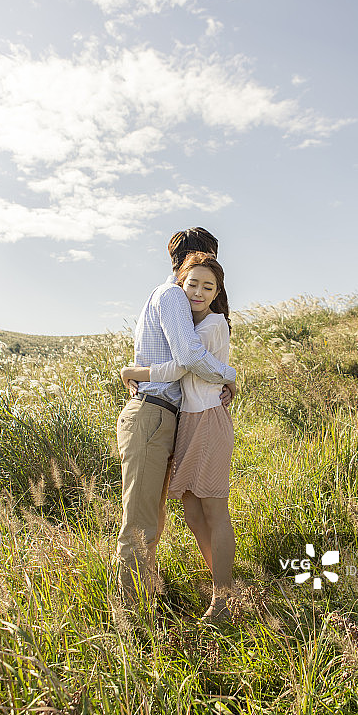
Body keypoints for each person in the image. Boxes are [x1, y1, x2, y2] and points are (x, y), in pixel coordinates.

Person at [116, 228, 236, 609]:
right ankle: (130, 615)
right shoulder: (171, 297)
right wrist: (230, 376)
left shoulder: (190, 308)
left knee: (155, 519)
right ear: (189, 261)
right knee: (141, 525)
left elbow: (186, 364)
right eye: (204, 262)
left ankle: (155, 600)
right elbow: (187, 357)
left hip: (171, 416)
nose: (206, 275)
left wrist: (223, 381)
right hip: (152, 412)